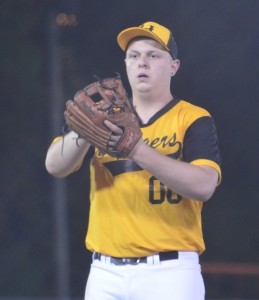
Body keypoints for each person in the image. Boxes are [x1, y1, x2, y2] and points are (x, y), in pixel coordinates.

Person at [45, 21, 221, 300]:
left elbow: (203, 186)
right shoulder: (104, 117)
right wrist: (85, 130)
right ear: (125, 64)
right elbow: (54, 165)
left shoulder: (192, 118)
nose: (142, 63)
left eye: (154, 55)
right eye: (134, 55)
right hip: (104, 273)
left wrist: (137, 148)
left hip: (170, 273)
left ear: (174, 66)